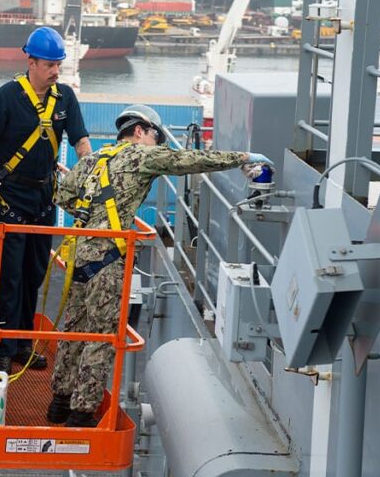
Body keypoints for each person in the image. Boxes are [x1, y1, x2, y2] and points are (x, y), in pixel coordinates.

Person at [47, 104, 274, 427]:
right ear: (140, 131)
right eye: (157, 137)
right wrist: (243, 158)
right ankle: (81, 414)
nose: (159, 144)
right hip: (108, 260)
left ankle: (58, 403)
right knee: (101, 336)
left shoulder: (93, 159)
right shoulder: (142, 156)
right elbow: (190, 161)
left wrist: (96, 215)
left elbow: (63, 197)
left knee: (73, 330)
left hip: (80, 257)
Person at [0, 27, 92, 374]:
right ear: (31, 62)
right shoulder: (7, 97)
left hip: (44, 198)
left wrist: (91, 169)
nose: (56, 71)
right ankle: (2, 348)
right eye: (50, 65)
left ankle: (22, 345)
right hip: (10, 198)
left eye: (58, 65)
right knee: (8, 276)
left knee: (34, 274)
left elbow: (80, 139)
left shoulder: (65, 98)